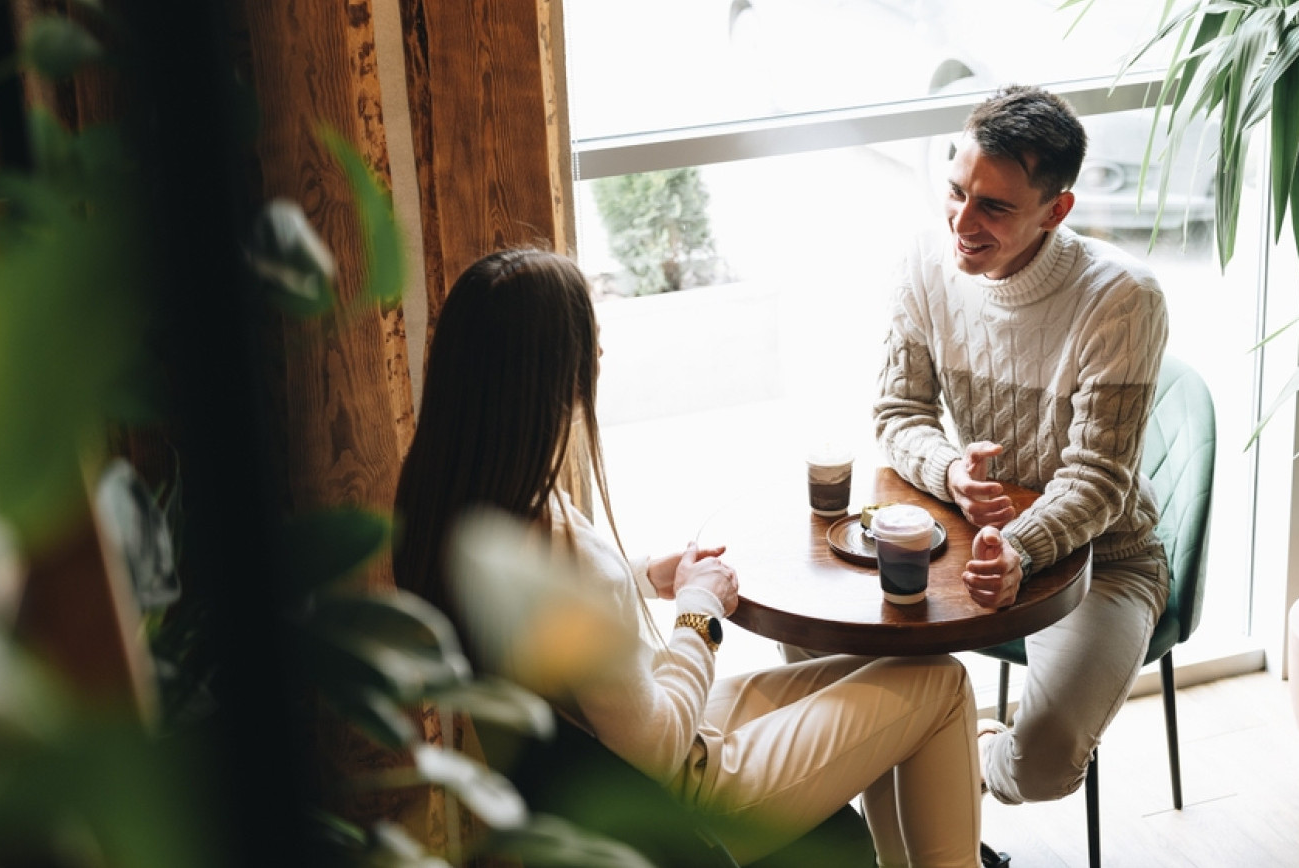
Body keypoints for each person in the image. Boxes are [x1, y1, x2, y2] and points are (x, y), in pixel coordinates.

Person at [394, 248, 982, 867]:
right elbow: (659, 745)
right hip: (684, 789)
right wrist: (701, 608)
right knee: (940, 681)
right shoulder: (548, 536)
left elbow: (556, 610)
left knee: (893, 668)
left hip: (621, 745)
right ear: (549, 375)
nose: (598, 356)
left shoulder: (455, 498)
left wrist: (648, 575)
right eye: (587, 341)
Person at [874, 84, 1170, 806]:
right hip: (959, 538)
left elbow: (1099, 479)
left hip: (1101, 560)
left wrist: (1023, 546)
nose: (961, 222)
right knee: (850, 678)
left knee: (1041, 772)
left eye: (994, 207)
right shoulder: (925, 262)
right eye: (955, 191)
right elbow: (897, 412)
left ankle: (971, 754)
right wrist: (951, 473)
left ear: (1056, 209)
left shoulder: (1123, 299)